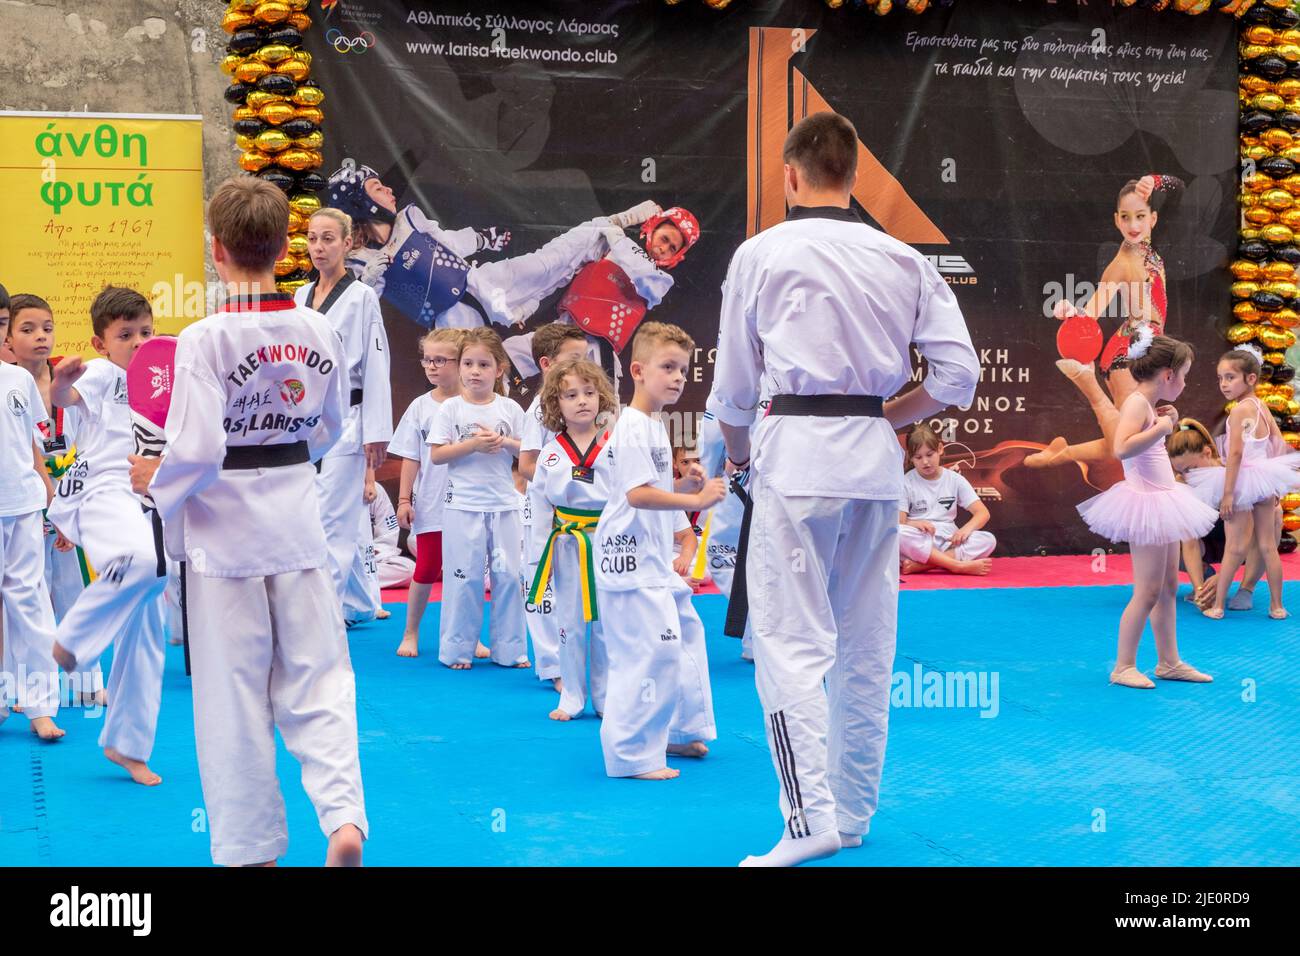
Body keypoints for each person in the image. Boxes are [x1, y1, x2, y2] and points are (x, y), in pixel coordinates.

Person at [707, 112, 980, 866]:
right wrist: (890, 414)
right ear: (855, 178)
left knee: (789, 644)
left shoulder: (762, 253)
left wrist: (735, 463)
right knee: (867, 642)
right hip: (869, 458)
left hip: (795, 457)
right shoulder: (901, 257)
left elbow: (733, 390)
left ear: (790, 176)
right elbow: (958, 376)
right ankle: (851, 815)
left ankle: (808, 823)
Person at [132, 175, 367, 866]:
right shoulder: (316, 325)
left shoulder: (203, 338)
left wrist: (157, 484)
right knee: (320, 677)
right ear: (285, 248)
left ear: (216, 250)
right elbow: (330, 429)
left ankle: (251, 849)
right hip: (297, 521)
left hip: (221, 538)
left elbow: (200, 449)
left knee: (232, 697)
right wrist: (283, 457)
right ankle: (343, 817)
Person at [48, 286, 169, 785]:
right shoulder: (101, 374)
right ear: (101, 344)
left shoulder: (165, 376)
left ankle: (126, 744)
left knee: (151, 610)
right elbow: (63, 399)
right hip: (101, 491)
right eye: (125, 335)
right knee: (142, 561)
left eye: (145, 331)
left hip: (148, 495)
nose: (138, 342)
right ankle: (73, 639)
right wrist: (59, 383)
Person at [596, 322, 724, 780]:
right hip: (628, 560)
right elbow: (635, 495)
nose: (677, 378)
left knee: (685, 637)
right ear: (638, 370)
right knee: (649, 655)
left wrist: (680, 486)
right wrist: (694, 500)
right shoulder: (632, 426)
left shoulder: (652, 425)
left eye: (683, 371)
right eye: (667, 368)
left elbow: (648, 488)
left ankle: (674, 729)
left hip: (649, 558)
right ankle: (631, 755)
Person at [1076, 332, 1219, 688]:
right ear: (1168, 375)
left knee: (1169, 586)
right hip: (1146, 503)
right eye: (1184, 375)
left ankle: (1169, 661)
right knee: (1148, 591)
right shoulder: (1137, 403)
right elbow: (1122, 448)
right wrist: (1163, 428)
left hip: (1164, 499)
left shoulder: (1147, 406)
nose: (1185, 383)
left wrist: (1162, 423)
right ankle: (1123, 665)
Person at [1029, 174, 1183, 470]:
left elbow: (1179, 188)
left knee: (1127, 439)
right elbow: (1094, 310)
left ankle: (1061, 453)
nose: (1133, 225)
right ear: (1116, 220)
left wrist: (1155, 180)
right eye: (1126, 218)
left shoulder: (1148, 251)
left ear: (1153, 218)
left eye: (1140, 216)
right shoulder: (1121, 264)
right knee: (1125, 444)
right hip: (1128, 351)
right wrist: (1073, 314)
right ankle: (1065, 447)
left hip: (1148, 347)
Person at [295, 207, 392, 626]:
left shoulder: (362, 296)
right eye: (313, 238)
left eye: (329, 238)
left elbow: (376, 363)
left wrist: (376, 430)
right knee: (339, 516)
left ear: (348, 243)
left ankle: (322, 616)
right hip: (306, 417)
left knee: (331, 520)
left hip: (349, 417)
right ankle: (356, 600)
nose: (319, 247)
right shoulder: (299, 296)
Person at [4, 294, 102, 704]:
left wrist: (69, 503)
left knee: (75, 590)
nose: (41, 337)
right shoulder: (8, 382)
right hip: (26, 497)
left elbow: (89, 441)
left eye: (47, 328)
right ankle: (23, 689)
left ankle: (86, 684)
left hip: (71, 492)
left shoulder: (71, 381)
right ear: (8, 338)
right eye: (27, 330)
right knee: (29, 597)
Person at [428, 327, 529, 669]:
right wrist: (472, 444)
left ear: (499, 369)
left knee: (509, 577)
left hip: (503, 504)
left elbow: (529, 451)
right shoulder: (450, 410)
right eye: (468, 363)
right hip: (463, 507)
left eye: (483, 365)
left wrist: (504, 443)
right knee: (464, 578)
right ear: (459, 368)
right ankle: (457, 650)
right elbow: (438, 455)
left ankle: (510, 650)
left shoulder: (511, 409)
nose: (475, 371)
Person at [528, 358, 618, 719]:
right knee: (569, 622)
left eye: (589, 392)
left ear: (601, 398)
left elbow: (631, 497)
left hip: (608, 541)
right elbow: (539, 509)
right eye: (570, 395)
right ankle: (571, 697)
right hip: (566, 544)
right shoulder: (550, 455)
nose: (582, 400)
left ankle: (606, 696)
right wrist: (538, 560)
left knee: (606, 624)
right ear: (555, 405)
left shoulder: (615, 445)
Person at [1190, 346, 1300, 619]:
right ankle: (1277, 606)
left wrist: (1228, 494)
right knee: (1267, 546)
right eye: (1220, 378)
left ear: (1251, 378)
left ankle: (1217, 607)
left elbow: (1236, 454)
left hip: (1241, 482)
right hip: (1262, 481)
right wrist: (1273, 481)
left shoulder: (1239, 411)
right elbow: (1278, 444)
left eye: (1230, 377)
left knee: (1235, 547)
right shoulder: (1261, 407)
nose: (1223, 384)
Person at [0, 307, 62, 739]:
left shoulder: (18, 380)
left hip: (21, 503)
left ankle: (40, 706)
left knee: (28, 599)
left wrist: (49, 490)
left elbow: (37, 443)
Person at [518, 323, 590, 687]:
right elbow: (527, 465)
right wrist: (566, 482)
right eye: (575, 358)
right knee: (544, 590)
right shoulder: (538, 412)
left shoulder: (592, 404)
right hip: (546, 513)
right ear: (547, 364)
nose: (585, 365)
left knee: (578, 589)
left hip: (584, 514)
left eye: (587, 357)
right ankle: (553, 666)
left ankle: (580, 658)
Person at [391, 328, 464, 657]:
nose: (432, 366)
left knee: (467, 571)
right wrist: (404, 499)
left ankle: (467, 634)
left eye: (440, 360)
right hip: (432, 502)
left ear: (461, 362)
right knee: (427, 567)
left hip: (470, 501)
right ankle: (411, 632)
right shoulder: (420, 407)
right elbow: (411, 455)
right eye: (427, 360)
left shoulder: (477, 403)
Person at [1165, 418, 1267, 611]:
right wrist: (1199, 590)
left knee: (1273, 519)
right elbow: (1190, 543)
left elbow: (1246, 536)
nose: (1187, 475)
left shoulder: (1233, 476)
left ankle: (1246, 589)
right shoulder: (1182, 483)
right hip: (1210, 545)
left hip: (1241, 546)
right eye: (1181, 470)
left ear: (1207, 452)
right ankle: (1204, 578)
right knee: (1166, 545)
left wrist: (1224, 576)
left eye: (1191, 468)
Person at [897, 423, 995, 576]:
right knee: (897, 533)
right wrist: (915, 523)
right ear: (911, 457)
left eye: (930, 455)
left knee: (988, 540)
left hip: (948, 542)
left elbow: (983, 513)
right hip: (920, 541)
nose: (925, 462)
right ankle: (956, 565)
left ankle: (923, 566)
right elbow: (900, 522)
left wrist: (965, 530)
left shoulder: (955, 479)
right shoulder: (905, 482)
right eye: (918, 457)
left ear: (940, 449)